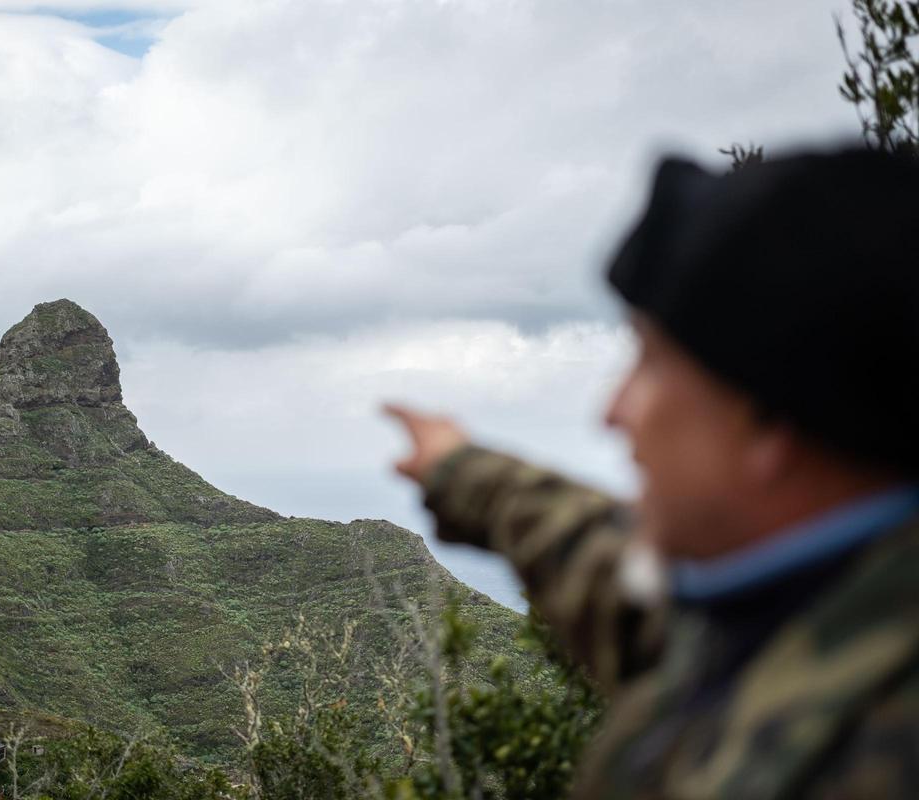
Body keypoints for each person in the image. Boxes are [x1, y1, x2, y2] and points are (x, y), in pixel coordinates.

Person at [386, 146, 919, 799]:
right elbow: (592, 556)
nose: (613, 413)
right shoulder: (774, 614)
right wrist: (457, 468)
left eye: (649, 363)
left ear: (768, 422)